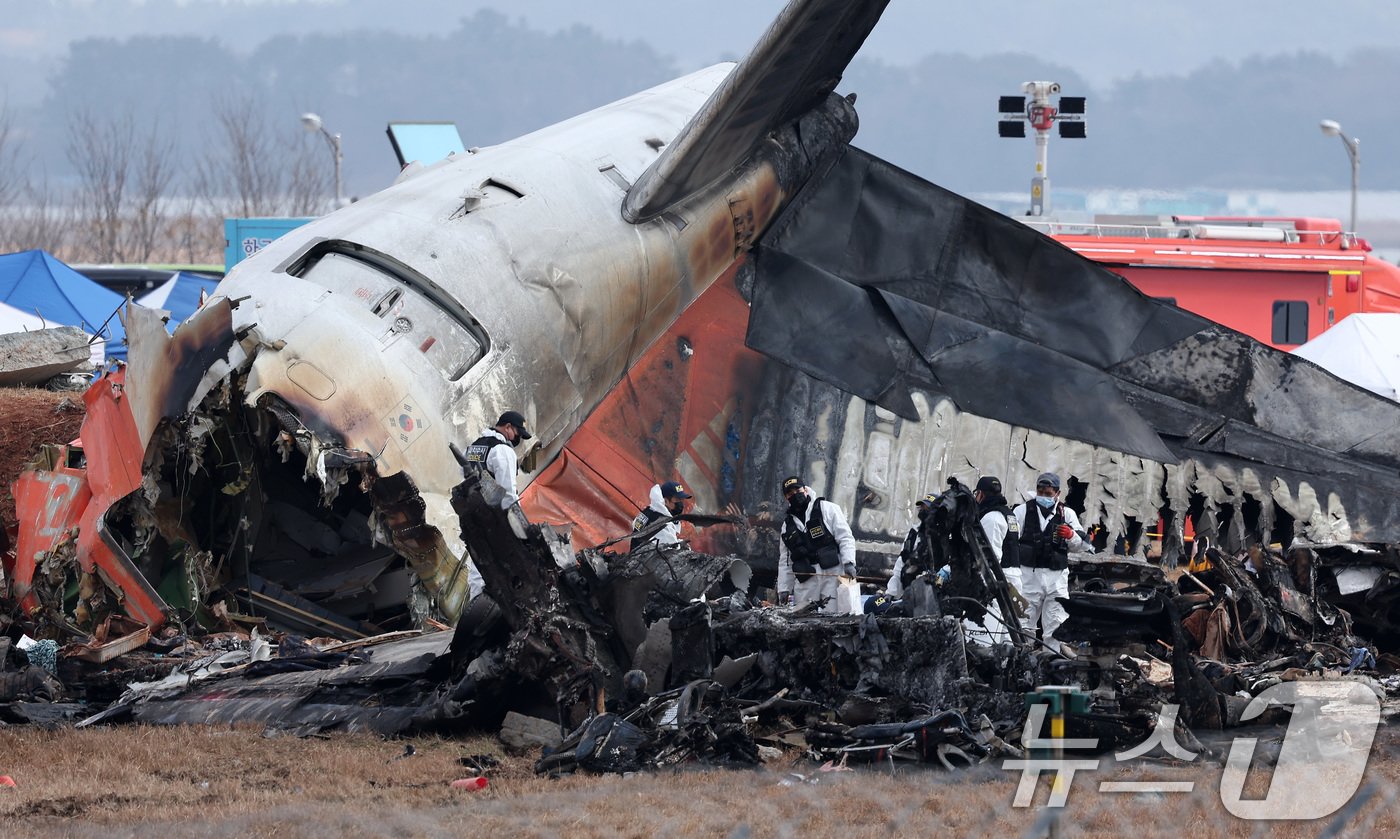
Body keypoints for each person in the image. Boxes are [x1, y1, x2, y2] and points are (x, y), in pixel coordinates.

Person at [1012, 471, 1085, 655]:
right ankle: (1022, 661)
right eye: (1040, 492)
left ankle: (1051, 662)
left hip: (1056, 578)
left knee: (1056, 624)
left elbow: (1082, 545)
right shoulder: (1022, 511)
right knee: (1024, 623)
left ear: (1057, 493)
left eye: (1048, 493)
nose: (1043, 496)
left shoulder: (1067, 514)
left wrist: (1071, 535)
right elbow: (1010, 541)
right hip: (1029, 576)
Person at [777, 476, 855, 614]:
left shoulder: (828, 509)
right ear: (786, 498)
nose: (795, 495)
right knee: (803, 617)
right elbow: (786, 560)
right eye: (790, 493)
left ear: (805, 490)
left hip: (832, 574)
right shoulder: (787, 526)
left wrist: (849, 562)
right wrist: (784, 588)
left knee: (835, 615)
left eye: (797, 490)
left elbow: (845, 538)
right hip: (806, 579)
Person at [462, 410, 532, 510]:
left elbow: (462, 477)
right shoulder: (503, 450)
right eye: (518, 433)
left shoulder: (473, 447)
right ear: (508, 427)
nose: (519, 438)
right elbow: (508, 493)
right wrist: (517, 515)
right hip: (492, 514)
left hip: (469, 512)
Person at [885, 493, 938, 598]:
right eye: (922, 507)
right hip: (909, 592)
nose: (922, 510)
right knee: (874, 603)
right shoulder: (914, 533)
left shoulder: (943, 536)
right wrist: (891, 593)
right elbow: (901, 563)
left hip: (933, 594)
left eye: (927, 508)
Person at [630, 480, 693, 552]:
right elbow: (671, 551)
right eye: (677, 500)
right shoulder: (664, 524)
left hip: (635, 555)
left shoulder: (649, 510)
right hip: (645, 558)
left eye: (681, 500)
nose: (680, 504)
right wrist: (681, 547)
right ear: (666, 501)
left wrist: (678, 543)